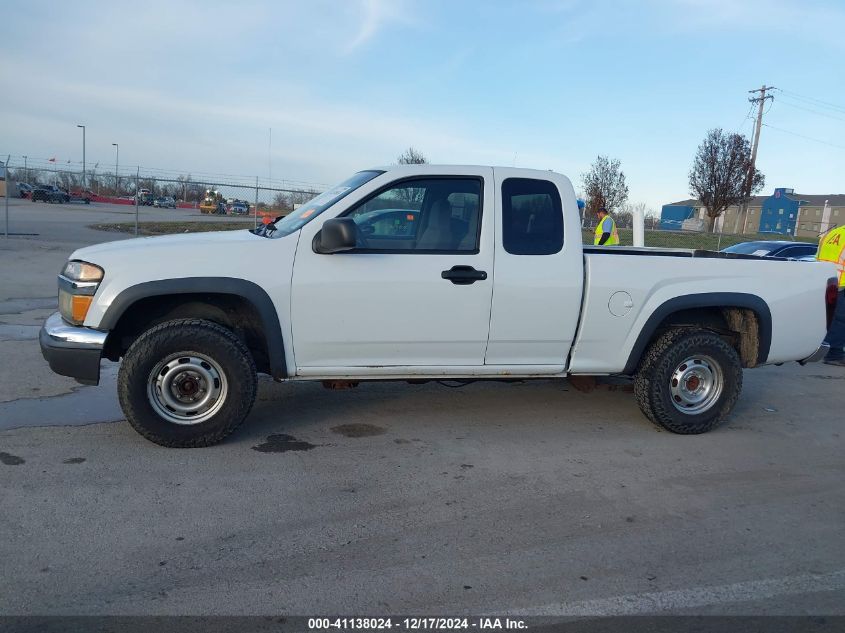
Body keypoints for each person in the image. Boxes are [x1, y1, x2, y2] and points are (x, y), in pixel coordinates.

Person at [816, 224, 845, 366]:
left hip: (825, 279)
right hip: (841, 282)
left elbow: (818, 255)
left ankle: (824, 348)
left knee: (829, 318)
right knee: (840, 319)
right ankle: (835, 353)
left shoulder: (833, 233)